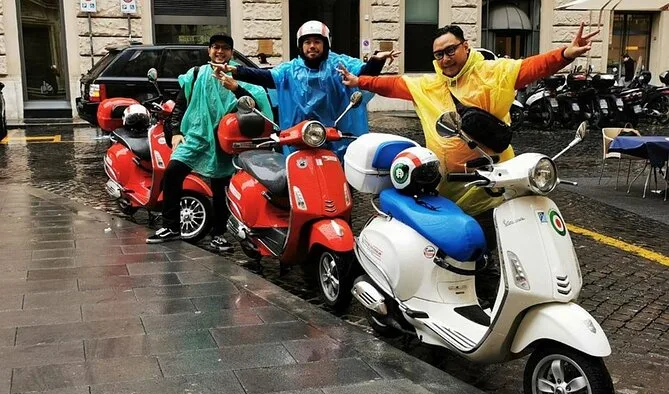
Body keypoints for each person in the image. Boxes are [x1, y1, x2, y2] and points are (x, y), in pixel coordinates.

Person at [339, 22, 598, 219]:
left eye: (450, 50)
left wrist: (566, 54)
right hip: (449, 185)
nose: (445, 58)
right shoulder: (429, 85)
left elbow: (531, 67)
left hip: (495, 181)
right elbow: (392, 84)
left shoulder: (493, 72)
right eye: (439, 55)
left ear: (465, 46)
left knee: (500, 235)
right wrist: (359, 81)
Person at [146, 34, 273, 250]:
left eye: (225, 48)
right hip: (195, 136)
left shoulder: (241, 78)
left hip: (223, 141)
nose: (220, 51)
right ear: (209, 50)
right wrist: (175, 132)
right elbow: (180, 104)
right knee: (173, 172)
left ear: (231, 53)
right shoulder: (196, 74)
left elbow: (257, 108)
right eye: (216, 47)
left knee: (220, 187)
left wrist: (236, 88)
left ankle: (218, 234)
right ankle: (171, 226)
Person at [213, 20, 400, 159]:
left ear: (325, 44)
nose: (312, 46)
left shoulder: (339, 64)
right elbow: (267, 77)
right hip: (298, 139)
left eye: (317, 41)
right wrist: (236, 70)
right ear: (300, 45)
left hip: (336, 138)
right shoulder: (290, 70)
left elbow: (364, 76)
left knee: (341, 186)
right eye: (307, 42)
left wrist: (377, 60)